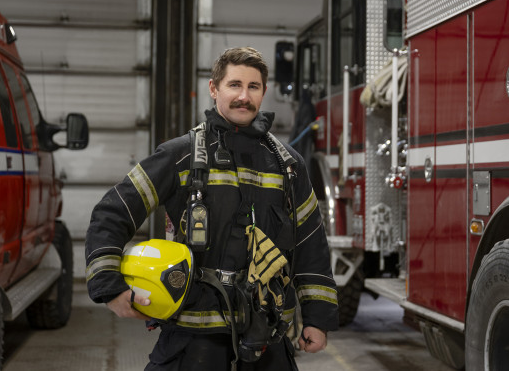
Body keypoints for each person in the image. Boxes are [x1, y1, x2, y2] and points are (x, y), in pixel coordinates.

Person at [85, 46, 338, 371]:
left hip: (268, 338)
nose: (243, 96)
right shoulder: (180, 155)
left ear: (263, 92)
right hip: (193, 339)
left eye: (253, 87)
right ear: (214, 88)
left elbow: (310, 243)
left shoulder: (288, 165)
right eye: (234, 85)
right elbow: (112, 212)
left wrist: (317, 318)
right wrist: (109, 287)